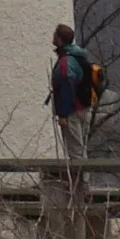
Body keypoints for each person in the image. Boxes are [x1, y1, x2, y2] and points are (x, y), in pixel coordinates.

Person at [50, 22, 93, 159]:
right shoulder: (79, 57)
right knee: (82, 149)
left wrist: (63, 115)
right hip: (85, 108)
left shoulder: (65, 62)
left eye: (55, 35)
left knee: (75, 152)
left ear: (59, 39)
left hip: (72, 111)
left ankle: (81, 180)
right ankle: (84, 179)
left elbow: (66, 88)